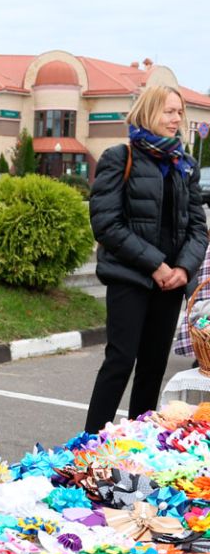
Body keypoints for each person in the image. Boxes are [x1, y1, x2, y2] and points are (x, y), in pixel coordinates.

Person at [86, 84, 207, 433]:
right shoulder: (119, 157)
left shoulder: (184, 165)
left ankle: (139, 442)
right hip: (130, 277)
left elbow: (198, 228)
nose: (177, 118)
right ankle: (88, 443)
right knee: (120, 361)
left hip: (171, 284)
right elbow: (106, 223)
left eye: (180, 112)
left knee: (153, 367)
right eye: (169, 111)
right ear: (149, 112)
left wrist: (183, 268)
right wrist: (156, 265)